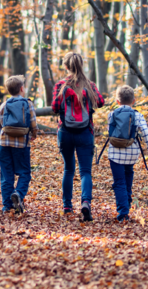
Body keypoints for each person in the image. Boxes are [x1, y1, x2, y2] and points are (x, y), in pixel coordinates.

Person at [52, 52, 104, 221]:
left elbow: (54, 107)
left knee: (68, 169)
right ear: (81, 65)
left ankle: (67, 206)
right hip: (85, 132)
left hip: (65, 132)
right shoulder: (89, 85)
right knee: (85, 172)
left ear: (66, 66)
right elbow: (101, 102)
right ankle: (86, 203)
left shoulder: (60, 85)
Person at [105, 85, 148, 222]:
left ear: (117, 101)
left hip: (115, 153)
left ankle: (123, 212)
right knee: (128, 175)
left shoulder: (112, 114)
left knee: (119, 182)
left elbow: (110, 132)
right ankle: (127, 204)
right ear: (133, 101)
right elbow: (146, 133)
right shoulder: (137, 115)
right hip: (131, 153)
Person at [0, 75, 39, 214]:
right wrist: (33, 134)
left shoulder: (4, 104)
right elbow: (33, 123)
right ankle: (19, 194)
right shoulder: (28, 103)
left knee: (6, 175)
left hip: (4, 143)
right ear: (21, 88)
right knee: (24, 173)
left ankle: (7, 206)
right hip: (21, 144)